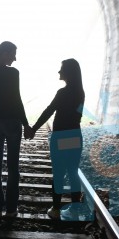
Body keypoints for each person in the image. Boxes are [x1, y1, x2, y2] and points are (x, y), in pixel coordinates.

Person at [0, 41, 32, 218]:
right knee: (13, 167)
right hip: (12, 123)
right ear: (5, 52)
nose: (15, 58)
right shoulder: (13, 73)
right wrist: (25, 124)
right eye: (13, 54)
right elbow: (17, 100)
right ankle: (11, 209)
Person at [30, 58, 85, 219]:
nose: (59, 72)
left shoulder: (63, 93)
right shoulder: (80, 92)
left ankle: (55, 210)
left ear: (68, 72)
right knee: (73, 173)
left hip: (60, 136)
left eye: (62, 69)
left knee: (59, 173)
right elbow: (78, 115)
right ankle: (74, 210)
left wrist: (33, 128)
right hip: (75, 135)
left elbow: (49, 111)